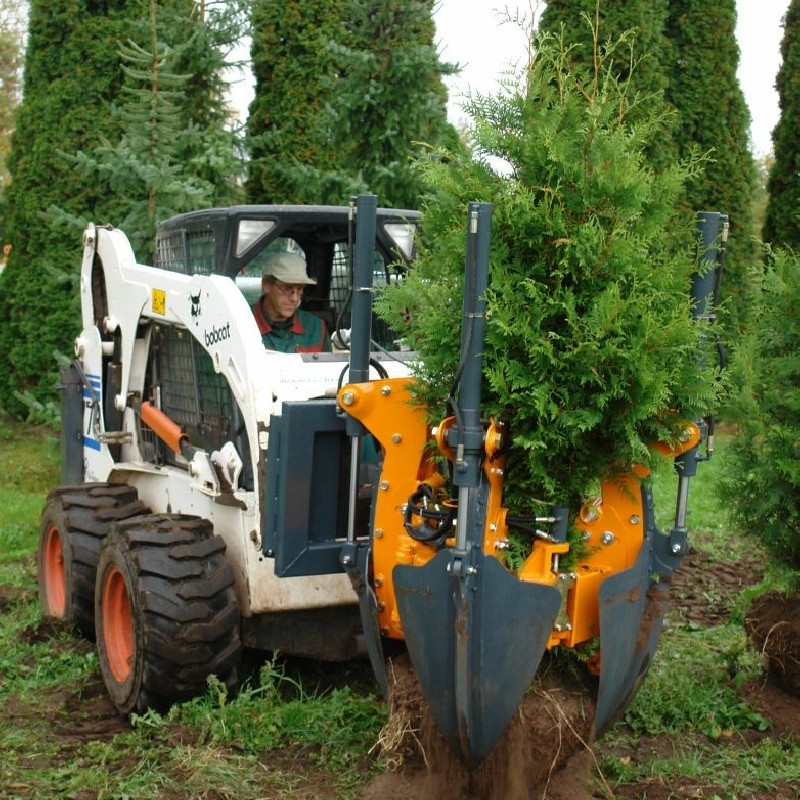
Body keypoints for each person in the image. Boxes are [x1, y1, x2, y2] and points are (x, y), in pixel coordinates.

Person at [252, 251, 331, 353]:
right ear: (266, 285)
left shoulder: (316, 328)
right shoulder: (240, 323)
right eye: (286, 288)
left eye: (300, 289)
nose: (294, 298)